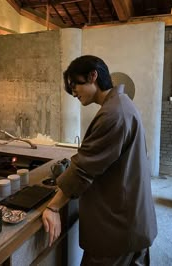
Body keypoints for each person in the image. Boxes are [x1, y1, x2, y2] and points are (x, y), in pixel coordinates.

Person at [42, 55, 157, 265]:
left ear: (93, 76)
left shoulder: (114, 114)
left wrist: (53, 207)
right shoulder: (121, 104)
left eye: (74, 84)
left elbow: (84, 169)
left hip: (117, 229)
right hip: (131, 221)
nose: (73, 92)